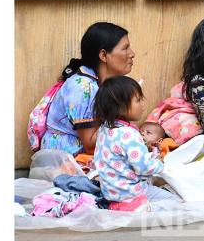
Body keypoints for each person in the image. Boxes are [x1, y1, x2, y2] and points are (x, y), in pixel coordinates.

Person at [39, 22, 136, 156]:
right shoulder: (84, 87)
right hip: (65, 157)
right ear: (103, 55)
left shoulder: (102, 83)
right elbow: (90, 145)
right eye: (125, 48)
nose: (132, 54)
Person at [93, 76, 180, 212]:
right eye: (138, 100)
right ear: (121, 108)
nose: (143, 104)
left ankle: (124, 205)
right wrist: (160, 165)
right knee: (175, 202)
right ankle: (141, 208)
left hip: (111, 193)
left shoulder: (104, 129)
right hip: (131, 192)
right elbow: (143, 167)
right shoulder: (129, 134)